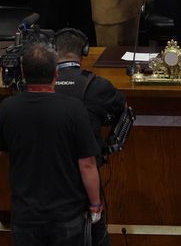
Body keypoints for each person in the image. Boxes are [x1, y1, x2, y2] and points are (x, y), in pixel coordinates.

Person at [0, 42, 102, 246]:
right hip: (66, 214)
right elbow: (87, 163)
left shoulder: (7, 108)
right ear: (56, 73)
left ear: (23, 73)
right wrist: (95, 204)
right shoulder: (74, 109)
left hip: (25, 214)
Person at [54, 27, 126, 246]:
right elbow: (121, 108)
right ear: (84, 52)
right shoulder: (97, 86)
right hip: (84, 181)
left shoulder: (39, 85)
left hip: (45, 180)